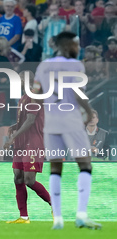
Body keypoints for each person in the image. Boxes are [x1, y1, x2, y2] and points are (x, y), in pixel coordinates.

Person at [33, 31, 102, 230]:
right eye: (75, 45)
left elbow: (36, 93)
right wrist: (88, 112)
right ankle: (81, 215)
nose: (78, 48)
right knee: (85, 164)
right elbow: (78, 92)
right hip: (71, 119)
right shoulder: (76, 65)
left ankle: (58, 220)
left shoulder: (43, 66)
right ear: (66, 45)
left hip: (51, 121)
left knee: (55, 168)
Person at [4, 70, 51, 224]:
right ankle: (24, 216)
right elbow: (26, 119)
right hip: (22, 143)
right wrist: (15, 126)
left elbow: (31, 121)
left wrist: (12, 138)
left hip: (33, 142)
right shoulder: (23, 97)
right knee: (17, 177)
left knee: (29, 179)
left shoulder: (34, 96)